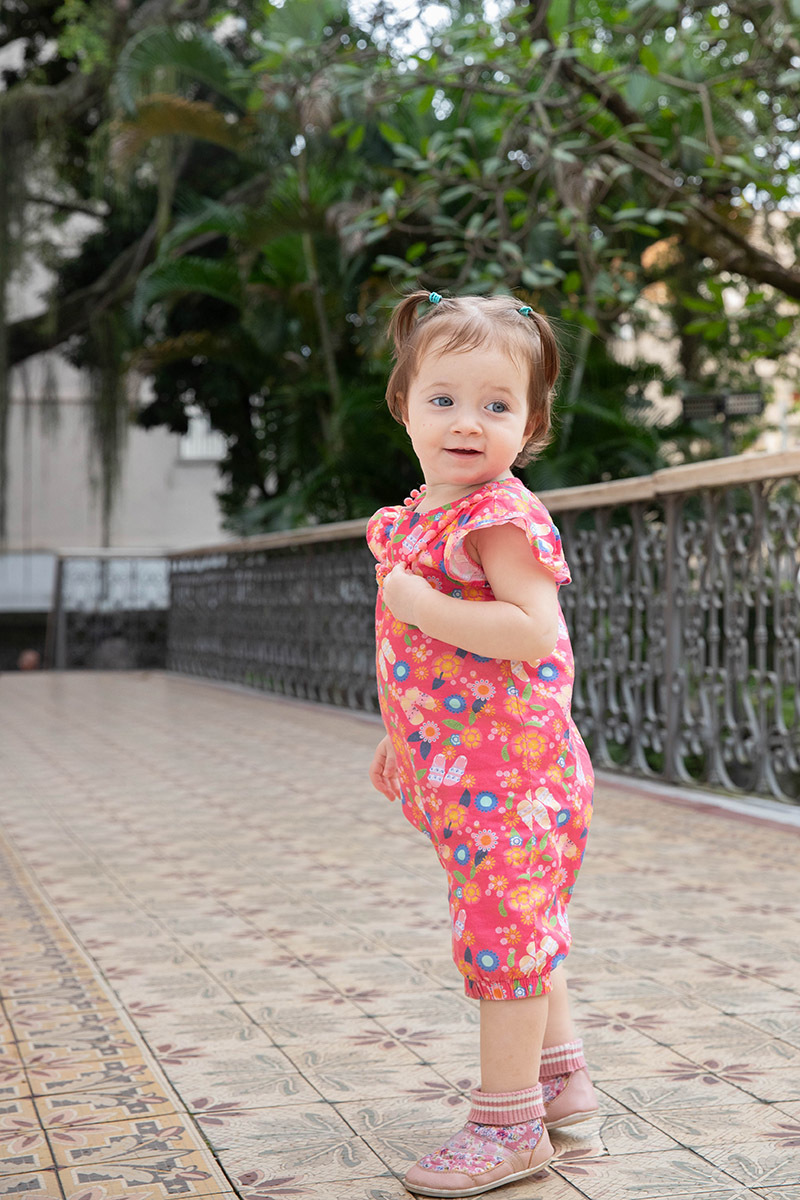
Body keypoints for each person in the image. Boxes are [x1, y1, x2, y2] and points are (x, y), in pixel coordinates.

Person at [367, 291, 597, 1197]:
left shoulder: (497, 518)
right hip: (469, 770)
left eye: (497, 406)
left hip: (518, 777)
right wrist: (400, 734)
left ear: (530, 424)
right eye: (445, 399)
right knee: (523, 928)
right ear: (406, 403)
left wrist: (419, 602)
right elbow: (410, 656)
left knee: (504, 942)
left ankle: (509, 1127)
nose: (469, 423)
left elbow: (529, 631)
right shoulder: (428, 511)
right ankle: (563, 1081)